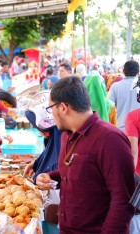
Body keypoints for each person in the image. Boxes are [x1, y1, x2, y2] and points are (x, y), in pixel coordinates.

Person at [36, 76, 135, 233]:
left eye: (50, 108)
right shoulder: (67, 135)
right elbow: (79, 174)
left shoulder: (110, 139)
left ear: (63, 107)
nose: (51, 115)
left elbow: (123, 199)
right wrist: (51, 176)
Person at [108, 60, 140, 131]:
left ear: (123, 71)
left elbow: (109, 107)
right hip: (138, 131)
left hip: (121, 131)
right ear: (138, 72)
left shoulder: (115, 87)